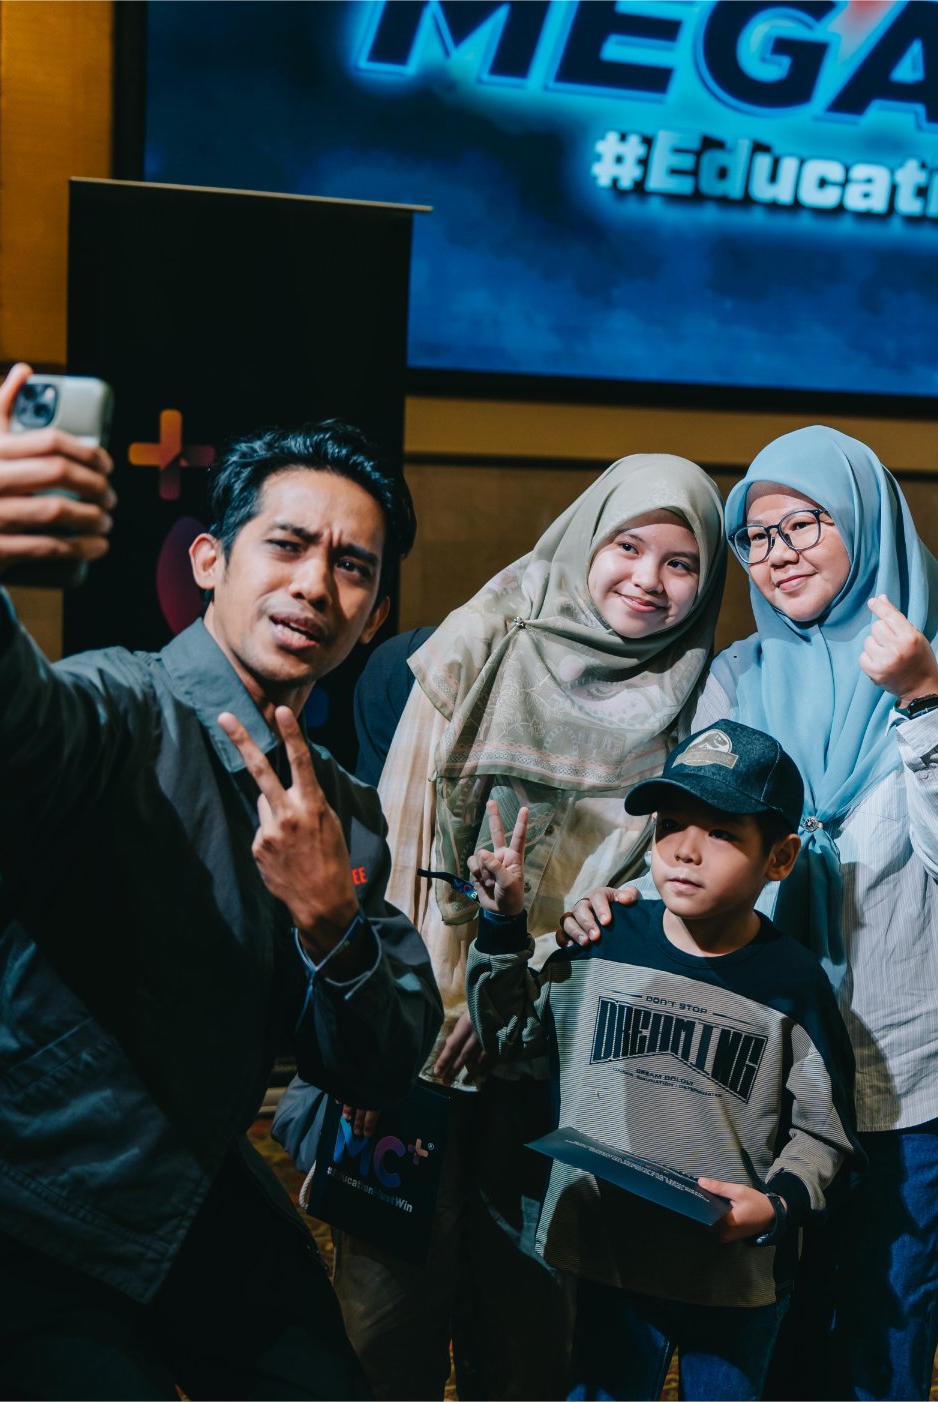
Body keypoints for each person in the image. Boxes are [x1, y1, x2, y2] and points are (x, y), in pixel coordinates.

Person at [0, 364, 442, 1397]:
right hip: (16, 1198)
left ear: (372, 616)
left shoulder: (341, 813)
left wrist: (332, 921)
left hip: (189, 1183)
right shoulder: (120, 707)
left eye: (351, 567)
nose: (314, 586)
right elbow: (0, 727)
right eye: (287, 545)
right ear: (209, 562)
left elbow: (379, 1064)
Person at [564, 426, 938, 1399]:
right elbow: (701, 842)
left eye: (804, 525)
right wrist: (624, 903)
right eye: (757, 537)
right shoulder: (741, 675)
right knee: (765, 1324)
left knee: (883, 1330)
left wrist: (921, 700)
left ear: (866, 521)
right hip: (762, 1054)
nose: (777, 555)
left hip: (907, 1060)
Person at [275, 455, 729, 1397]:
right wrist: (386, 1035)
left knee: (528, 1332)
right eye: (628, 546)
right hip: (416, 1042)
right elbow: (399, 846)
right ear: (586, 540)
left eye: (681, 563)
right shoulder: (481, 639)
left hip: (553, 1056)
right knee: (384, 1319)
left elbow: (651, 890)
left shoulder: (697, 699)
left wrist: (523, 983)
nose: (649, 579)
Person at [467, 720, 858, 1401]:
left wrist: (777, 1205)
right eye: (670, 825)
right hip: (608, 1255)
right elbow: (511, 1038)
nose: (685, 851)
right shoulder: (603, 939)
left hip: (731, 1277)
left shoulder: (794, 984)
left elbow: (824, 1132)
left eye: (723, 833)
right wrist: (502, 926)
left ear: (780, 857)